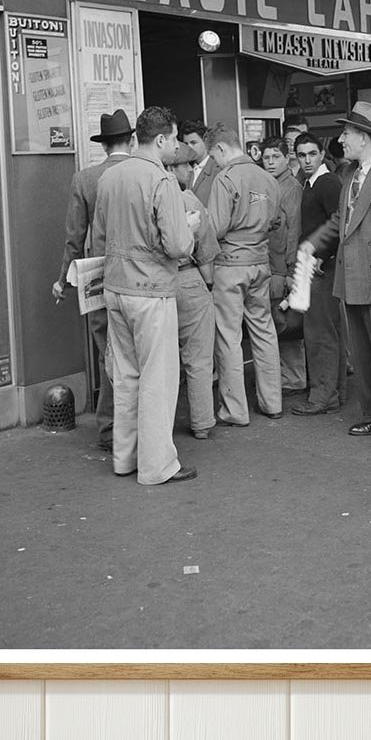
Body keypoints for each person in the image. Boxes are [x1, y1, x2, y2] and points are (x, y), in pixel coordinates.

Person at [300, 101, 371, 450]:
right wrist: (314, 243)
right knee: (364, 356)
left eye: (347, 132)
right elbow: (341, 221)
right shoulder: (348, 174)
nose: (341, 138)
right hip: (352, 277)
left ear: (365, 137)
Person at [93, 106, 198, 485]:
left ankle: (125, 458)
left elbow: (100, 238)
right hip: (152, 291)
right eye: (173, 138)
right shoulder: (162, 180)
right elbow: (177, 246)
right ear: (161, 139)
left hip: (115, 288)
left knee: (126, 378)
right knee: (159, 380)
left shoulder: (110, 177)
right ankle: (157, 466)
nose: (176, 146)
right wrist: (190, 228)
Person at [52, 109, 134, 452]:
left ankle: (110, 427)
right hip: (143, 276)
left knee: (109, 352)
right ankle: (138, 424)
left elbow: (75, 236)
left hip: (101, 276)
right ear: (131, 140)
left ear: (103, 146)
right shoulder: (147, 172)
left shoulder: (86, 179)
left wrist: (63, 281)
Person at [205, 122, 284, 426]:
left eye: (214, 157)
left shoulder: (225, 180)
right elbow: (275, 221)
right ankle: (272, 402)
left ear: (221, 148)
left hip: (230, 265)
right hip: (260, 262)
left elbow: (215, 229)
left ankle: (235, 410)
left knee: (228, 336)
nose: (214, 163)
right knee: (264, 331)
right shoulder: (268, 178)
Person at [290, 132, 346, 415]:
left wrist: (325, 256)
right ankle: (329, 393)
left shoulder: (326, 183)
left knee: (320, 333)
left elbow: (340, 222)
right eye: (301, 155)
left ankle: (322, 396)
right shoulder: (312, 183)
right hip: (316, 264)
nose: (307, 160)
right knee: (324, 330)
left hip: (321, 266)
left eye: (312, 154)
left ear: (323, 154)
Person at [166, 142, 218, 441]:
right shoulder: (189, 200)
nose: (190, 170)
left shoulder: (148, 197)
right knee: (198, 358)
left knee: (161, 360)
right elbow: (207, 253)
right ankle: (201, 423)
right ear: (172, 168)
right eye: (186, 165)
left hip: (157, 283)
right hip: (188, 278)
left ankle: (161, 426)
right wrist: (207, 284)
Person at [262, 135, 307, 395]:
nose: (270, 162)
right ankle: (286, 375)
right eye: (266, 157)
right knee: (279, 325)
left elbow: (294, 231)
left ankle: (294, 377)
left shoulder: (290, 188)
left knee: (287, 325)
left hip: (283, 265)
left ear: (286, 158)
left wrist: (292, 271)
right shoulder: (271, 184)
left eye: (275, 157)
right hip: (272, 263)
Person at [180, 119, 218, 206]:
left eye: (193, 143)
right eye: (186, 144)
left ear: (205, 142)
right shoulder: (183, 168)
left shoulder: (217, 169)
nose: (189, 147)